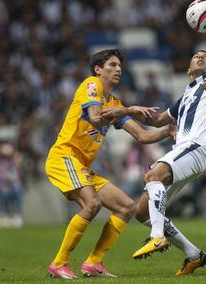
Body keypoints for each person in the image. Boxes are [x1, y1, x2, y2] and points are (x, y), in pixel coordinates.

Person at [102, 50, 206, 276]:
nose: (201, 56)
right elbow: (157, 121)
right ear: (188, 70)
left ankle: (157, 237)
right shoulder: (187, 93)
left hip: (197, 147)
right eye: (196, 55)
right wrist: (126, 111)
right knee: (142, 212)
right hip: (184, 151)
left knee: (152, 176)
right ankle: (193, 254)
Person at [45, 49, 173, 279]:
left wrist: (168, 131)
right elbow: (95, 117)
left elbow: (142, 137)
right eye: (112, 65)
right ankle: (59, 263)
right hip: (64, 157)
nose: (118, 70)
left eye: (120, 67)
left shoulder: (113, 102)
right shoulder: (91, 84)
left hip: (81, 165)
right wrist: (129, 110)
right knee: (92, 203)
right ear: (98, 69)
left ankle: (93, 263)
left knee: (126, 207)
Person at [0, 141, 24, 228]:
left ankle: (17, 215)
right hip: (2, 184)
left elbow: (19, 167)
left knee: (18, 190)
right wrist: (0, 154)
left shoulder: (16, 158)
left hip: (14, 184)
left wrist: (13, 155)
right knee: (3, 192)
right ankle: (5, 214)